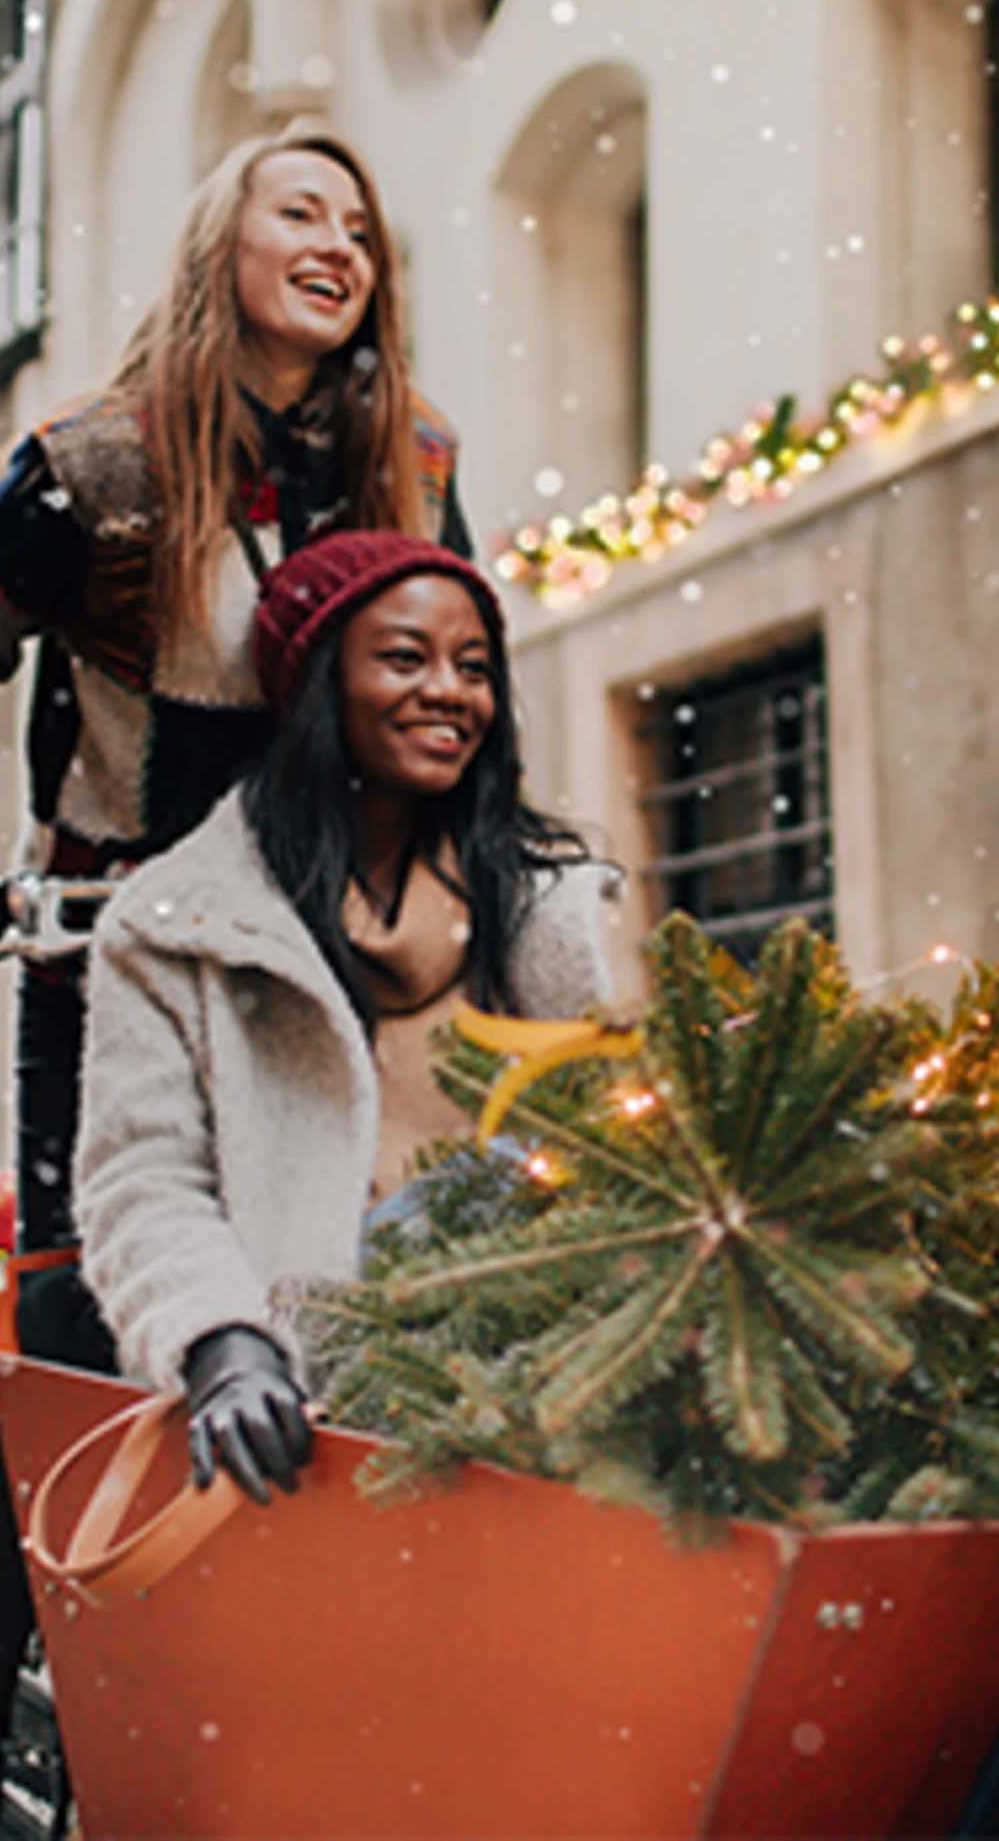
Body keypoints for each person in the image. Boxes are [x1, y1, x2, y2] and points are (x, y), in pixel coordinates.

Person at [0, 124, 466, 1841]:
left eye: (362, 224)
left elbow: (448, 675)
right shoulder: (99, 465)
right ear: (225, 244)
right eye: (300, 209)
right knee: (80, 1355)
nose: (338, 241)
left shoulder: (415, 461)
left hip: (322, 965)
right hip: (110, 954)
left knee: (350, 1325)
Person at [77, 530, 621, 1502]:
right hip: (320, 1378)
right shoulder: (173, 926)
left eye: (475, 668)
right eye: (406, 658)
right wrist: (224, 1344)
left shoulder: (550, 908)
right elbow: (142, 1181)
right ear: (319, 686)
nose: (450, 692)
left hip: (553, 1359)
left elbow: (626, 1131)